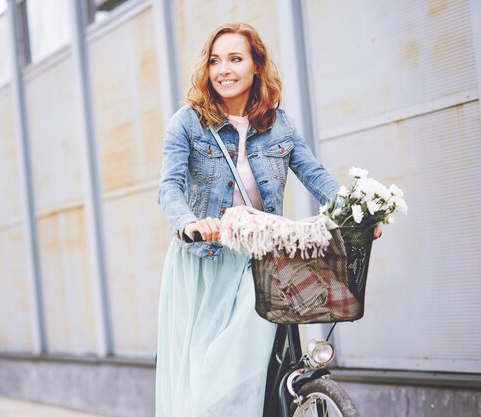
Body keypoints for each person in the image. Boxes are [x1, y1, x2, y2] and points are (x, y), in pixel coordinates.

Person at [156, 22, 367, 417]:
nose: (224, 70)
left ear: (256, 66)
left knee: (249, 359)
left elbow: (316, 176)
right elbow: (169, 187)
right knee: (208, 377)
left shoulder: (278, 123)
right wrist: (190, 223)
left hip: (262, 257)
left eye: (235, 59)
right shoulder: (187, 122)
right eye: (215, 61)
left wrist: (359, 210)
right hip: (206, 259)